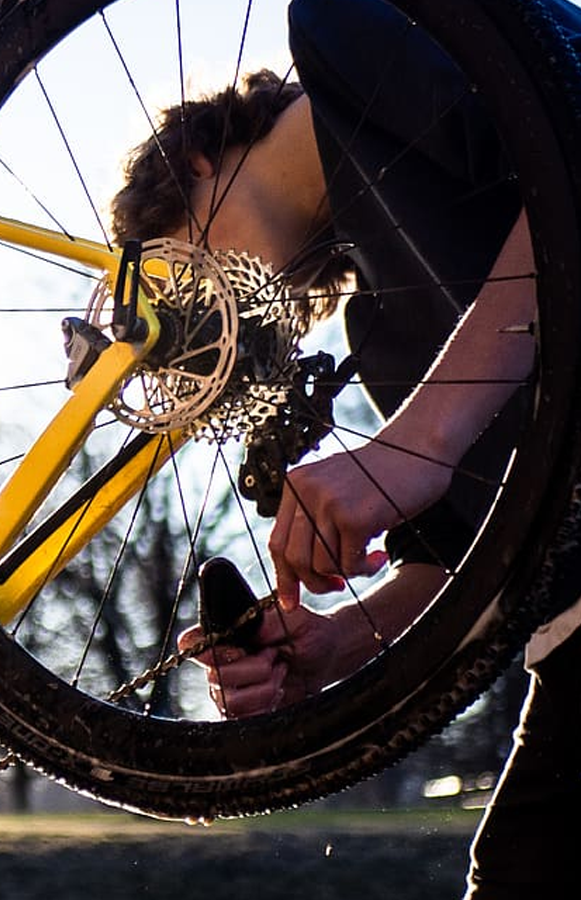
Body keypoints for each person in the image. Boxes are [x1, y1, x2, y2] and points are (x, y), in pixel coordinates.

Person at [110, 0, 581, 896]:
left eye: (172, 276)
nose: (190, 331)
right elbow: (469, 549)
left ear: (195, 166)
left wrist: (417, 441)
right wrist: (342, 641)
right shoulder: (386, 332)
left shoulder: (353, 23)